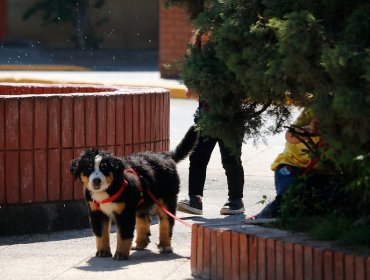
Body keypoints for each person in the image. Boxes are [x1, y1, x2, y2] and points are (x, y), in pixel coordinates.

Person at [176, 94, 245, 215]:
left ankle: (236, 200)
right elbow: (193, 89)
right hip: (206, 118)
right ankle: (195, 200)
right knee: (197, 157)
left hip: (230, 119)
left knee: (230, 159)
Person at [255, 108, 322, 218]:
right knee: (288, 196)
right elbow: (290, 136)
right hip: (291, 164)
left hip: (321, 171)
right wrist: (310, 129)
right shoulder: (314, 109)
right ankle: (260, 220)